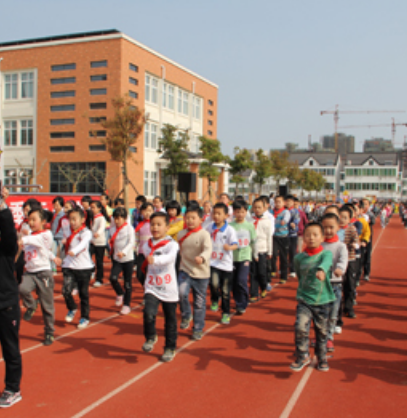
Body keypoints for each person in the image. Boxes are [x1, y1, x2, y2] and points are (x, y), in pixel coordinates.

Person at [290, 222, 334, 373]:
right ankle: (302, 355)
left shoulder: (325, 254)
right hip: (304, 299)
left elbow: (327, 262)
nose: (311, 238)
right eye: (307, 235)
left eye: (315, 235)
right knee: (300, 327)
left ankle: (321, 357)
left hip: (323, 300)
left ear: (322, 237)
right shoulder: (299, 258)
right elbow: (299, 275)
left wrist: (322, 270)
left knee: (322, 332)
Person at [141, 212, 179, 362]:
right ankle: (151, 336)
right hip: (152, 286)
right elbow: (147, 259)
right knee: (148, 313)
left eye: (159, 224)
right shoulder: (146, 244)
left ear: (167, 227)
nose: (155, 227)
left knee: (170, 320)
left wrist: (155, 259)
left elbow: (169, 259)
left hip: (168, 288)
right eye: (152, 224)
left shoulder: (172, 245)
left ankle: (170, 347)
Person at [19, 207, 56, 346]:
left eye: (34, 219)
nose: (31, 222)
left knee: (47, 306)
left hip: (43, 273)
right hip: (30, 272)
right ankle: (32, 304)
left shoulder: (46, 234)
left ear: (43, 221)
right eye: (29, 219)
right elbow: (41, 250)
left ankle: (49, 332)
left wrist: (24, 238)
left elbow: (38, 241)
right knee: (22, 289)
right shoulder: (29, 237)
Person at [0, 189, 22, 408]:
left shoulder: (6, 248)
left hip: (5, 305)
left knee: (10, 349)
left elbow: (7, 229)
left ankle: (13, 388)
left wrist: (1, 203)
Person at [177, 205, 212, 340]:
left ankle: (198, 328)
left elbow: (208, 250)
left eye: (193, 218)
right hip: (185, 270)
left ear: (201, 219)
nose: (190, 220)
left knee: (199, 302)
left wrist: (202, 257)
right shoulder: (181, 234)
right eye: (188, 218)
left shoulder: (204, 234)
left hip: (201, 273)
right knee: (181, 293)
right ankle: (186, 315)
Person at [58, 207, 94, 329]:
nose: (72, 222)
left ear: (82, 219)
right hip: (69, 266)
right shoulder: (68, 231)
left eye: (75, 219)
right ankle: (72, 308)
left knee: (83, 294)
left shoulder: (86, 232)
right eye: (70, 219)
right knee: (65, 290)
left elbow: (83, 244)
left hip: (84, 268)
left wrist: (74, 250)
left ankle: (85, 317)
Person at [206, 202, 238, 324]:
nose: (216, 216)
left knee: (225, 291)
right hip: (213, 263)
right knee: (214, 284)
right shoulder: (209, 228)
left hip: (226, 265)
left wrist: (229, 247)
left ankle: (225, 313)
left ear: (226, 216)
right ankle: (215, 299)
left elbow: (235, 245)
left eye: (219, 213)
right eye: (214, 213)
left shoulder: (230, 230)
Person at [321, 213, 348, 353]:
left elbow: (343, 261)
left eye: (331, 227)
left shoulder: (341, 246)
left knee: (332, 314)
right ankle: (320, 336)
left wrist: (340, 269)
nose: (328, 230)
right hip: (319, 285)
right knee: (320, 313)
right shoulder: (319, 244)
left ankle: (329, 337)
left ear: (338, 227)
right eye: (325, 227)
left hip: (334, 284)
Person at [230, 200, 256, 313]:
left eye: (242, 211)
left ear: (246, 212)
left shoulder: (250, 226)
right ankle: (237, 301)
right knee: (233, 281)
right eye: (237, 211)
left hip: (245, 257)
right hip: (232, 258)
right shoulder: (230, 226)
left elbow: (254, 241)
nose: (240, 214)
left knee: (241, 280)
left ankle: (242, 303)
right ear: (234, 212)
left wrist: (255, 254)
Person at [109, 207, 135, 315]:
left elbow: (131, 242)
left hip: (128, 259)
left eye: (119, 218)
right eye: (115, 218)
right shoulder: (112, 228)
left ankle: (126, 305)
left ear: (125, 218)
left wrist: (123, 252)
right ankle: (120, 293)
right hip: (117, 259)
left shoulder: (129, 229)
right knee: (112, 278)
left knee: (127, 283)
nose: (117, 221)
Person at [338, 205, 359, 323]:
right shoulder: (335, 229)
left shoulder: (352, 229)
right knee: (338, 285)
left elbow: (356, 242)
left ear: (350, 219)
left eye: (345, 217)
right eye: (340, 217)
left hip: (350, 259)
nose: (342, 219)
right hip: (338, 260)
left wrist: (353, 245)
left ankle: (349, 307)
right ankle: (338, 308)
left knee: (350, 285)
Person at [250, 197, 272, 302]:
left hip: (262, 249)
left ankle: (263, 287)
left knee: (262, 272)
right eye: (255, 207)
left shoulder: (267, 221)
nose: (257, 209)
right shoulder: (250, 220)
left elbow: (269, 237)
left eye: (259, 207)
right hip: (251, 249)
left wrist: (270, 251)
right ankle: (254, 293)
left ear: (264, 208)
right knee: (253, 272)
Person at [271, 195, 290, 284]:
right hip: (274, 236)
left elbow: (286, 219)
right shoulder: (271, 211)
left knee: (283, 257)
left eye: (279, 202)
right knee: (273, 254)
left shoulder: (286, 212)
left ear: (284, 203)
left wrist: (284, 221)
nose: (277, 204)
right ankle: (273, 270)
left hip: (283, 237)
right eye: (276, 202)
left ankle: (283, 276)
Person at [90, 200, 108, 287]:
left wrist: (98, 233)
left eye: (94, 207)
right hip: (92, 241)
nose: (92, 209)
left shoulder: (101, 218)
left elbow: (102, 227)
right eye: (91, 207)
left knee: (99, 261)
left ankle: (99, 279)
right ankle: (91, 270)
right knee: (87, 256)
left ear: (99, 208)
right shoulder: (92, 217)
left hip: (100, 242)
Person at [135, 202, 154, 286]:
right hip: (142, 253)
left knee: (151, 274)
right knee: (139, 274)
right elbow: (136, 239)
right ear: (141, 212)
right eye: (145, 211)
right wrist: (134, 249)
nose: (147, 213)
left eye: (150, 210)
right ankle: (147, 288)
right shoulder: (140, 225)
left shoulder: (155, 224)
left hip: (153, 253)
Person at [286, 195, 300, 278]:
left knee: (292, 252)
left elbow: (297, 219)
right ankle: (284, 268)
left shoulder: (295, 211)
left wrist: (294, 224)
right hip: (283, 234)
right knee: (284, 252)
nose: (288, 203)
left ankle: (293, 270)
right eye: (287, 201)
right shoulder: (283, 211)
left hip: (292, 234)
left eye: (290, 202)